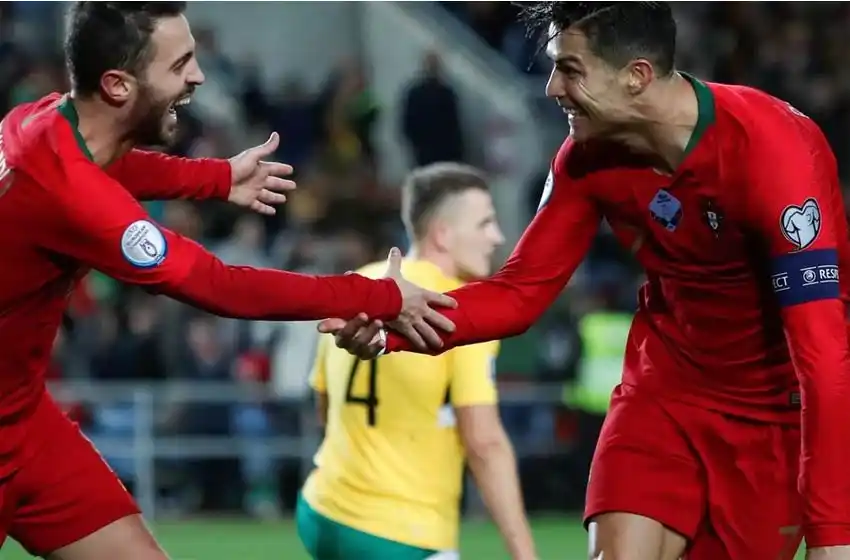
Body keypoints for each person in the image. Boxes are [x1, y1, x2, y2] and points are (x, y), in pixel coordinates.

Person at [318, 3, 850, 559]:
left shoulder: (774, 150)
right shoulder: (584, 159)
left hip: (770, 419)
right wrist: (396, 325)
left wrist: (833, 536)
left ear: (636, 76)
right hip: (663, 395)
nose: (551, 88)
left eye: (570, 70)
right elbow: (519, 294)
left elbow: (823, 355)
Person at [0, 2, 456, 559]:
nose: (197, 76)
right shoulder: (72, 192)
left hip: (23, 421)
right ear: (119, 86)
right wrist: (378, 295)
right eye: (180, 65)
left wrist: (214, 178)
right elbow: (220, 286)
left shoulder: (45, 121)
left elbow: (112, 166)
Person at [297, 163, 537, 560]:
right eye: (485, 223)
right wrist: (525, 554)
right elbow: (485, 443)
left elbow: (323, 405)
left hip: (321, 511)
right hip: (400, 533)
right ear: (443, 234)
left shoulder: (359, 282)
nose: (497, 237)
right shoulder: (458, 307)